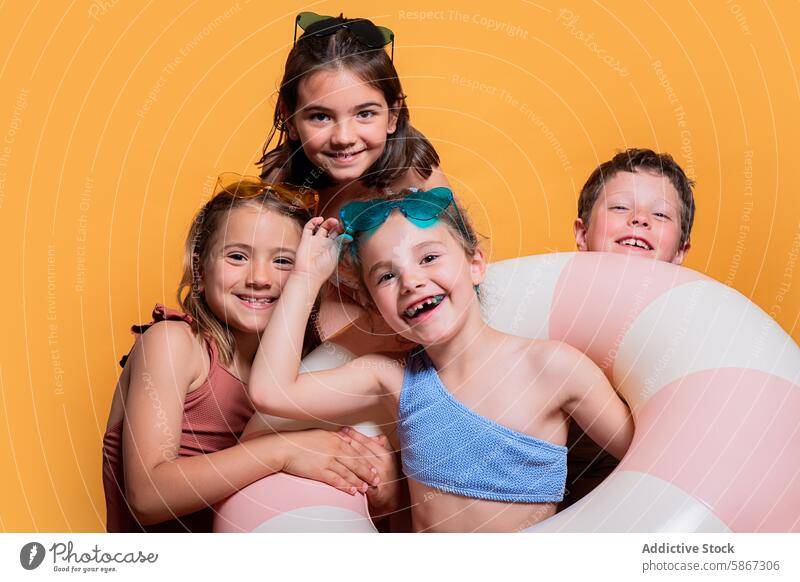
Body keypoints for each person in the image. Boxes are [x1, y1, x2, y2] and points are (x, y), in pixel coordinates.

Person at [248, 188, 634, 532]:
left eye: (429, 257)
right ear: (376, 308)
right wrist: (305, 276)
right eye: (386, 276)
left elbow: (647, 463)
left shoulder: (553, 368)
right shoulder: (392, 378)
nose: (411, 281)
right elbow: (272, 391)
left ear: (475, 265)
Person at [102, 175, 398, 532]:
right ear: (199, 267)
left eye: (283, 261)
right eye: (237, 256)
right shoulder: (175, 344)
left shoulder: (298, 368)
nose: (259, 277)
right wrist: (283, 451)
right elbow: (147, 497)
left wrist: (378, 485)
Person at [258, 11, 450, 343]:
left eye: (365, 114)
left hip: (413, 331)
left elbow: (458, 275)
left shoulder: (415, 175)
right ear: (290, 121)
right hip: (314, 336)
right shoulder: (283, 182)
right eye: (320, 116)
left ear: (393, 116)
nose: (344, 137)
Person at [565, 147, 697, 507]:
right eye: (620, 207)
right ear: (582, 232)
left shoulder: (696, 328)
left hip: (657, 498)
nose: (639, 219)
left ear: (680, 252)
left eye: (660, 214)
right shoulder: (547, 317)